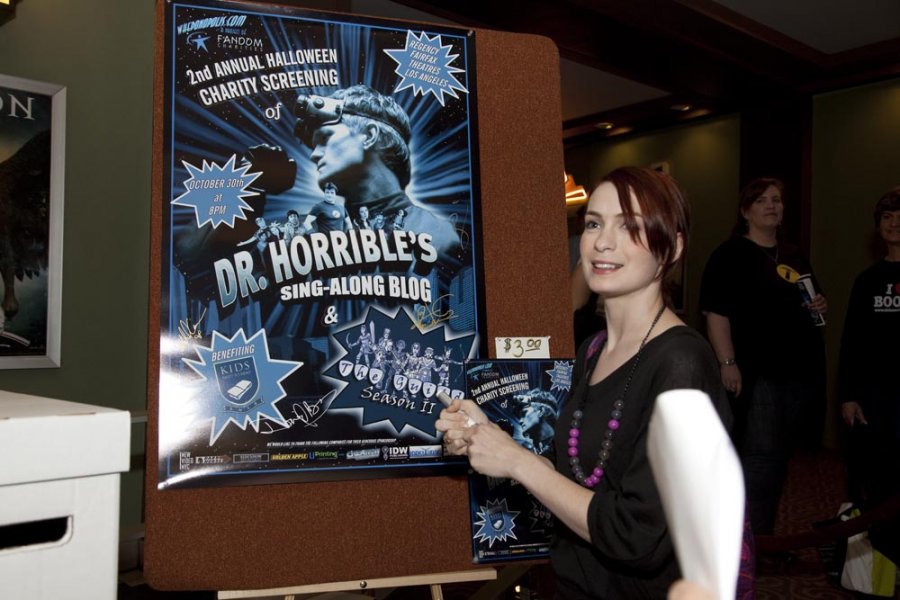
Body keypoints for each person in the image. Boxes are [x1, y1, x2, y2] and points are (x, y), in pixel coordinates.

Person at [439, 167, 732, 598]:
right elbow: (571, 479)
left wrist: (515, 461)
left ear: (673, 246)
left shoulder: (682, 363)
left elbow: (636, 536)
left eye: (628, 227)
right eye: (594, 224)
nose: (602, 242)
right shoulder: (594, 350)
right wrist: (491, 438)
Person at [699, 177, 827, 536]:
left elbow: (812, 299)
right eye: (762, 201)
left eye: (777, 200)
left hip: (797, 372)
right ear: (745, 211)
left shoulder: (793, 253)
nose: (772, 206)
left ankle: (761, 537)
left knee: (780, 458)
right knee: (760, 459)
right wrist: (727, 362)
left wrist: (821, 304)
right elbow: (716, 313)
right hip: (758, 374)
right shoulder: (729, 255)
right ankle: (751, 545)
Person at [294, 84, 458, 257]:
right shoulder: (311, 236)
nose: (314, 155)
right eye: (314, 145)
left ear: (369, 136)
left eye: (325, 138)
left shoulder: (440, 237)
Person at [838, 187, 900, 564]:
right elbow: (852, 342)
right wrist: (848, 395)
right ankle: (883, 562)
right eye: (887, 217)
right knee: (877, 482)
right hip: (875, 400)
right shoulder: (867, 280)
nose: (894, 223)